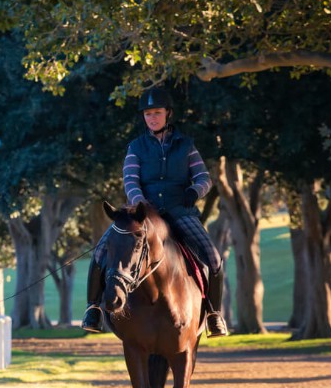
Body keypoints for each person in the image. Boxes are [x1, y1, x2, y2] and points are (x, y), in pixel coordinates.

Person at [81, 86, 229, 337]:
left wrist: (193, 193)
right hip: (144, 216)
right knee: (100, 252)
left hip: (180, 212)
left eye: (157, 113)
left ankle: (214, 315)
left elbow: (204, 177)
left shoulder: (187, 145)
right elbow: (130, 182)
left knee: (213, 259)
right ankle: (93, 309)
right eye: (148, 114)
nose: (152, 118)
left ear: (168, 114)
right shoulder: (136, 147)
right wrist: (140, 204)